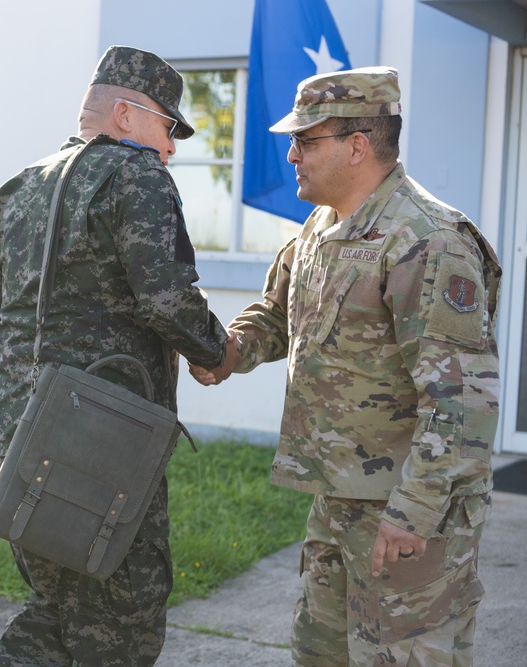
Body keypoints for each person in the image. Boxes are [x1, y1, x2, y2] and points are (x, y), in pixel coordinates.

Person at [190, 66, 502, 666]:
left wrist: (412, 515)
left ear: (357, 145)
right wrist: (229, 352)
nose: (290, 155)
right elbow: (279, 315)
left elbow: (463, 403)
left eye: (306, 141)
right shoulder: (322, 227)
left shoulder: (428, 241)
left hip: (409, 514)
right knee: (321, 655)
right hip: (337, 501)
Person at [0, 45, 228, 666]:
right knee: (125, 615)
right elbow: (168, 300)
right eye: (168, 127)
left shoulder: (17, 189)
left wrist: (23, 400)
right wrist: (217, 351)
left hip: (22, 429)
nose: (171, 147)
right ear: (125, 114)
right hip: (103, 434)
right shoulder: (135, 175)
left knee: (56, 603)